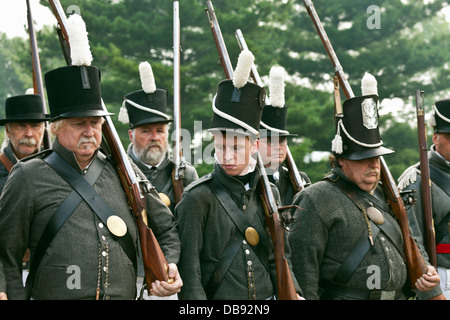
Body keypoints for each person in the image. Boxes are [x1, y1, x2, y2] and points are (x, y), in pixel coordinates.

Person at [0, 14, 181, 300]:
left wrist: (169, 264)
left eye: (95, 123)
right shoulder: (27, 176)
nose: (89, 131)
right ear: (56, 127)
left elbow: (166, 226)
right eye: (78, 123)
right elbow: (5, 254)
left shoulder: (126, 171)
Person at [288, 73, 442, 300]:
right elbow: (303, 271)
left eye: (377, 158)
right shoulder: (315, 199)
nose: (373, 165)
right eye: (363, 159)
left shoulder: (391, 197)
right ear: (341, 159)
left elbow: (413, 244)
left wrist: (426, 270)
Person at [175, 50, 302, 300]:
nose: (227, 156)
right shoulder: (197, 197)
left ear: (255, 145)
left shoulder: (270, 192)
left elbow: (281, 255)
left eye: (236, 147)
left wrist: (294, 293)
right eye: (220, 147)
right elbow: (190, 275)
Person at [119, 61, 198, 214]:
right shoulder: (118, 172)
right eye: (146, 131)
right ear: (131, 135)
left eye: (160, 131)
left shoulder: (186, 175)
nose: (154, 137)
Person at [398, 98, 450, 299]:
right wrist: (432, 292)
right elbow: (412, 240)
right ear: (435, 138)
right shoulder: (416, 178)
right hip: (442, 276)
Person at [259, 66, 310, 206]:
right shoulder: (246, 181)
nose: (278, 147)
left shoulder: (300, 178)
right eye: (270, 141)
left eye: (281, 141)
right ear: (255, 143)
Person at [0, 93, 50, 193]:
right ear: (8, 130)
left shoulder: (58, 165)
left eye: (35, 125)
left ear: (43, 128)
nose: (29, 133)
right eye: (20, 125)